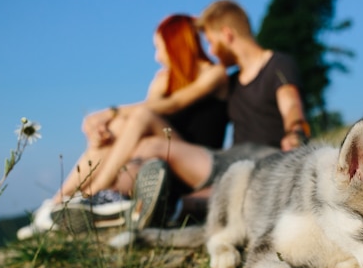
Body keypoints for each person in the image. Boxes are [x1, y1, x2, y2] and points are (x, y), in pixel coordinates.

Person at [17, 14, 229, 239]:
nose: (158, 57)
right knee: (119, 125)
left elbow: (170, 105)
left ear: (175, 44)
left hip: (194, 159)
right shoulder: (162, 79)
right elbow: (144, 115)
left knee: (139, 116)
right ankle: (57, 201)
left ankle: (94, 191)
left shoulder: (214, 74)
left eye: (160, 47)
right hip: (159, 153)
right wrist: (107, 126)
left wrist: (110, 112)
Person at [124, 0, 310, 226]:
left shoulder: (277, 64)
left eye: (211, 41)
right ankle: (110, 201)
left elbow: (291, 104)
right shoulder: (230, 82)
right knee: (146, 151)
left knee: (185, 194)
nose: (210, 50)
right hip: (231, 162)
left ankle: (170, 212)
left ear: (227, 35)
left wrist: (295, 131)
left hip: (266, 160)